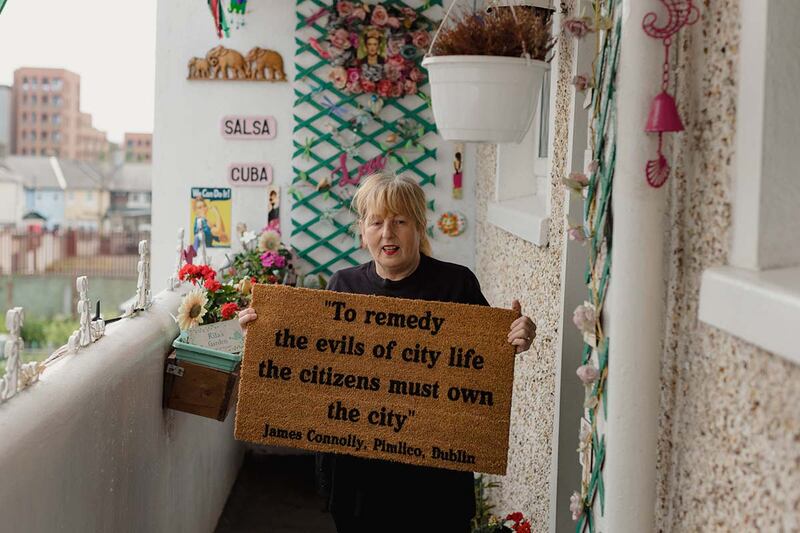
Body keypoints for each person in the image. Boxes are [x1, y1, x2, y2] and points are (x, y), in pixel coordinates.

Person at [238, 173, 536, 532]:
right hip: (357, 482)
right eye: (376, 222)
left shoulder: (457, 284)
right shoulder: (343, 286)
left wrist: (517, 340)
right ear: (363, 231)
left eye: (399, 221)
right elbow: (312, 369)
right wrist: (264, 335)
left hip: (435, 485)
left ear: (419, 227)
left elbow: (485, 360)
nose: (387, 233)